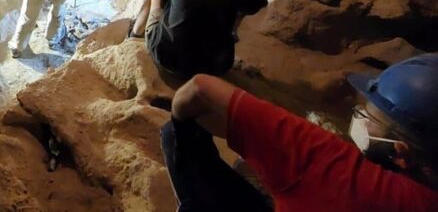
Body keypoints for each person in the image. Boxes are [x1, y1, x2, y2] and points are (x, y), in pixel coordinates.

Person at [161, 53, 438, 211]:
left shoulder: (345, 178)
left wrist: (180, 121)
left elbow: (200, 89)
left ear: (401, 153)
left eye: (368, 118)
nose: (361, 121)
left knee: (174, 134)